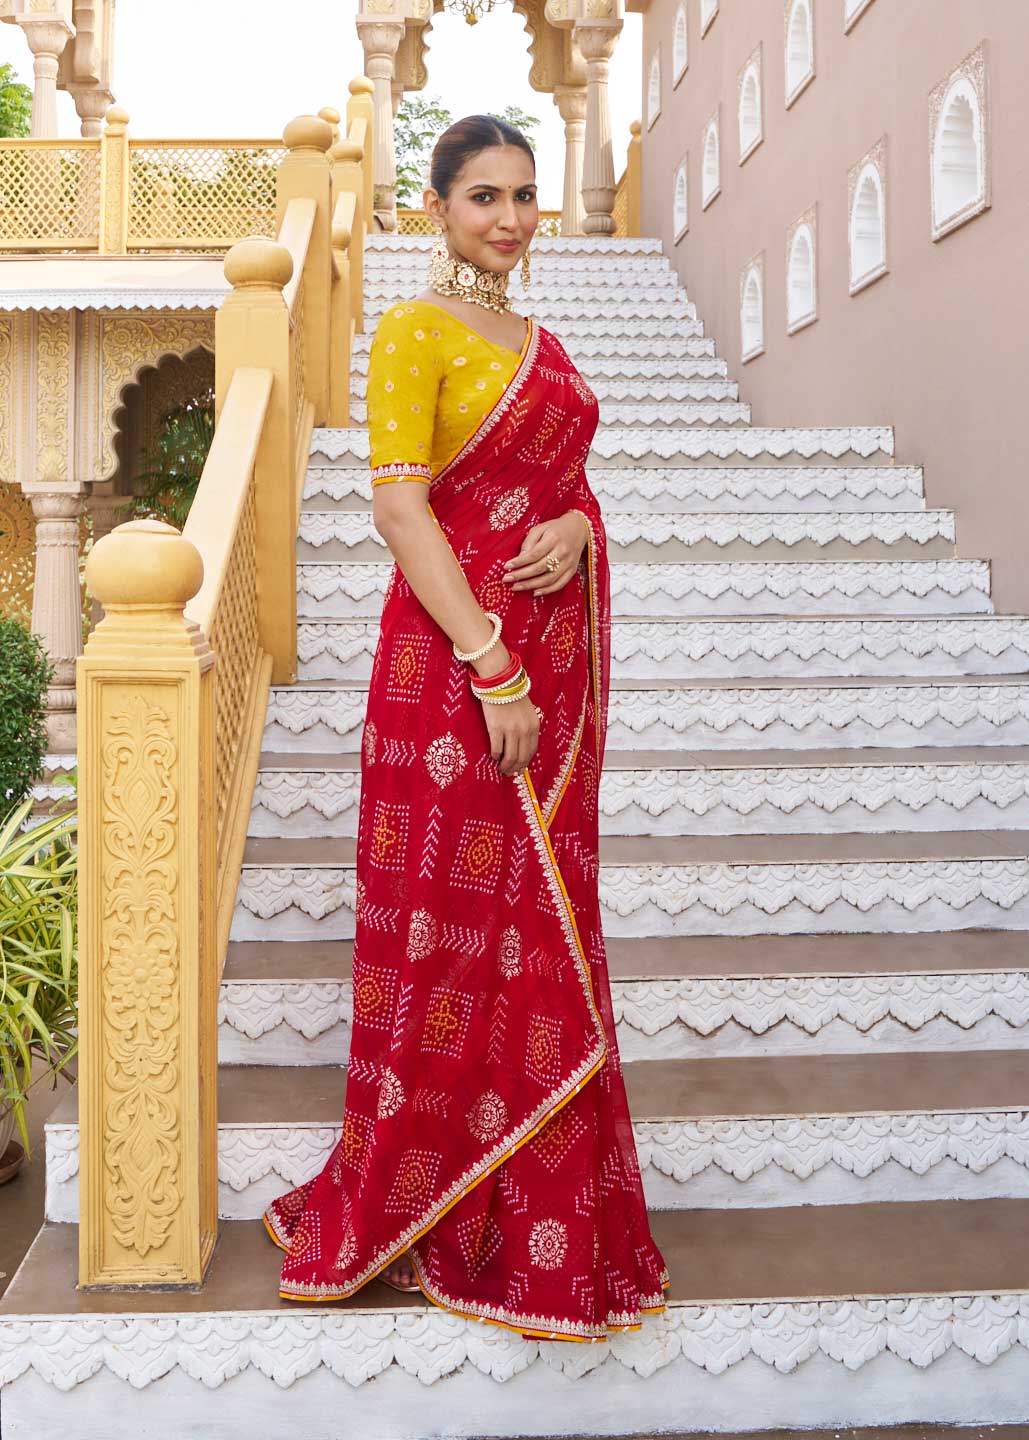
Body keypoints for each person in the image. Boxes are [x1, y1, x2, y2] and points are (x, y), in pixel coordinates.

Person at [263, 113, 669, 1344]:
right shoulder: (415, 330)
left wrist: (583, 531)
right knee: (459, 927)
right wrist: (494, 667)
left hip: (556, 655)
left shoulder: (537, 336)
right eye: (482, 195)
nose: (508, 217)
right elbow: (400, 511)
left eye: (525, 196)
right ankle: (431, 1196)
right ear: (434, 207)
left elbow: (562, 491)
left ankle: (525, 1211)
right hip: (459, 670)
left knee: (539, 923)